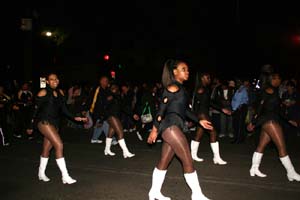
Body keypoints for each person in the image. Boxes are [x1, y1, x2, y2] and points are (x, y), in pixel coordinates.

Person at [147, 59, 213, 200]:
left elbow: (185, 111)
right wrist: (154, 130)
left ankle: (154, 192)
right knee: (187, 159)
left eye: (188, 69)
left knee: (164, 161)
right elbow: (161, 110)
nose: (187, 72)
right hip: (170, 127)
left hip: (175, 126)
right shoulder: (172, 87)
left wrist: (199, 120)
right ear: (175, 72)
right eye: (184, 69)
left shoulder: (181, 89)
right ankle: (197, 195)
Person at [31, 73, 87, 184]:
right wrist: (30, 125)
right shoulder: (43, 92)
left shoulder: (60, 93)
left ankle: (41, 174)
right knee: (59, 145)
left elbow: (64, 110)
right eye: (51, 79)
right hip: (44, 122)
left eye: (56, 79)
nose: (54, 81)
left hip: (55, 123)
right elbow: (35, 110)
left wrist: (75, 117)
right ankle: (65, 176)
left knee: (46, 150)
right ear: (47, 81)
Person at [247, 69, 300, 182]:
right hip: (269, 121)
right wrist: (253, 122)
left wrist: (289, 120)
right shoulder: (268, 90)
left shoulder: (274, 90)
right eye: (278, 78)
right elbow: (259, 108)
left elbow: (278, 110)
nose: (280, 80)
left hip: (269, 120)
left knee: (261, 146)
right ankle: (291, 173)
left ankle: (254, 168)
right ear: (273, 79)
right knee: (282, 147)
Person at [191, 73, 231, 164]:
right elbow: (195, 102)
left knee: (198, 134)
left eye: (209, 77)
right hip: (202, 114)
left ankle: (193, 155)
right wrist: (194, 117)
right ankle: (216, 158)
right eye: (207, 77)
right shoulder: (201, 89)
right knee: (213, 132)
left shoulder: (205, 88)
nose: (209, 79)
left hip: (203, 113)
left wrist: (222, 109)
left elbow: (209, 102)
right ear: (202, 78)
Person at [103, 83, 139, 158]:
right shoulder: (108, 95)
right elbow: (103, 105)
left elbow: (124, 107)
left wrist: (133, 114)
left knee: (111, 133)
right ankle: (125, 152)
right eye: (113, 87)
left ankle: (107, 150)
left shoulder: (118, 96)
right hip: (111, 116)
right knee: (120, 132)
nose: (114, 88)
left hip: (115, 116)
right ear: (110, 88)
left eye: (115, 87)